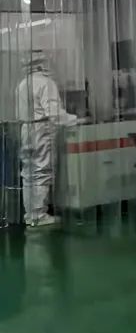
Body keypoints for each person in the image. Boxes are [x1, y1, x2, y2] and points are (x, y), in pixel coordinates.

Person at [15, 50, 78, 228]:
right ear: (41, 64)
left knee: (28, 174)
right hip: (41, 129)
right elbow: (54, 113)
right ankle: (39, 215)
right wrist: (75, 120)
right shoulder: (45, 83)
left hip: (25, 128)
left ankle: (30, 214)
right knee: (42, 171)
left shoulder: (22, 84)